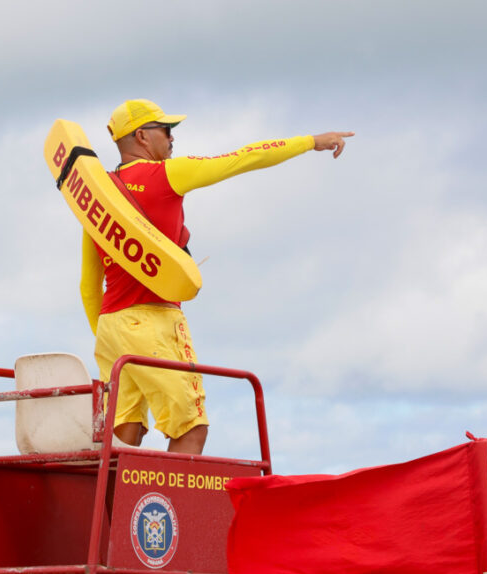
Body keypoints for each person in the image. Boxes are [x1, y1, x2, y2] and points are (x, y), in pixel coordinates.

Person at [81, 98, 353, 455]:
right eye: (166, 130)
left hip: (110, 328)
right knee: (191, 429)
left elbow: (89, 286)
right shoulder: (166, 175)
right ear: (143, 137)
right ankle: (164, 512)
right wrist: (310, 142)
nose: (172, 138)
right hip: (154, 320)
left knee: (125, 433)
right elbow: (242, 159)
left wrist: (108, 337)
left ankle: (105, 511)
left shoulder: (100, 198)